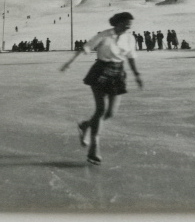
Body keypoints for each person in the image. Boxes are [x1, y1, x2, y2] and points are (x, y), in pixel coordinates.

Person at [60, 12, 142, 165]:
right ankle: (94, 148)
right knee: (101, 110)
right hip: (100, 72)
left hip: (118, 74)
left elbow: (131, 57)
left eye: (130, 24)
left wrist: (137, 75)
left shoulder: (130, 38)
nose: (128, 26)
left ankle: (85, 125)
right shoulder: (104, 35)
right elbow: (86, 47)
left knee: (110, 113)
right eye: (125, 23)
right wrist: (69, 62)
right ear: (117, 23)